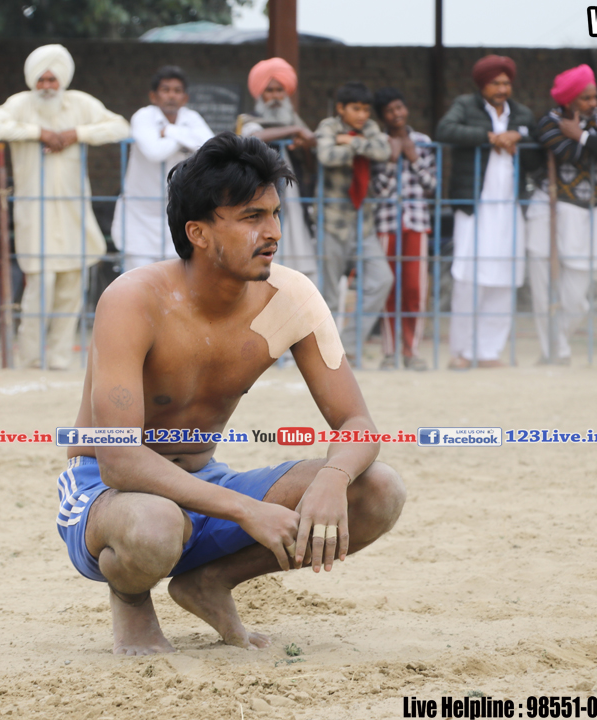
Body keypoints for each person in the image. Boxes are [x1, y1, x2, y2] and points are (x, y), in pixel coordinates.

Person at [56, 133, 405, 655]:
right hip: (106, 496)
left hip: (205, 481)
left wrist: (334, 478)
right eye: (251, 217)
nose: (273, 232)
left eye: (274, 214)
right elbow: (119, 461)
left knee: (378, 489)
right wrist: (245, 510)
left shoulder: (292, 297)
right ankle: (131, 599)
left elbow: (357, 424)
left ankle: (209, 581)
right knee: (155, 524)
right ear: (197, 232)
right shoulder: (133, 299)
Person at [0, 45, 129, 370]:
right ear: (32, 81)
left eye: (52, 80)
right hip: (35, 211)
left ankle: (59, 358)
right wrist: (37, 133)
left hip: (73, 211)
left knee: (71, 284)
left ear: (63, 80)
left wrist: (77, 134)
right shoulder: (20, 104)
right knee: (40, 284)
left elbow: (120, 127)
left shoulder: (80, 103)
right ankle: (31, 357)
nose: (47, 86)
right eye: (41, 80)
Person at [436, 55, 538, 369]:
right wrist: (489, 137)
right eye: (495, 83)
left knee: (505, 278)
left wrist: (518, 136)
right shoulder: (465, 106)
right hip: (474, 206)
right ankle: (462, 352)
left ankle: (489, 352)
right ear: (482, 85)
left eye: (506, 83)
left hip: (510, 207)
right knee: (469, 276)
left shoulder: (521, 114)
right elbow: (445, 129)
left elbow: (538, 141)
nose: (502, 89)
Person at [527, 65, 597, 365]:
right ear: (569, 100)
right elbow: (568, 154)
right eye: (585, 98)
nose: (593, 103)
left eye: (594, 96)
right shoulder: (549, 122)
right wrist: (594, 143)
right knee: (542, 289)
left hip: (592, 212)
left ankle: (556, 346)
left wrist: (581, 135)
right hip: (551, 209)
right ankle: (555, 353)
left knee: (577, 298)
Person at [315, 81, 393, 357]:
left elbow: (384, 151)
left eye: (365, 110)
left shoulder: (369, 127)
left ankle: (346, 346)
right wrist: (362, 147)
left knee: (382, 279)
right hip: (331, 221)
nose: (362, 115)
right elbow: (326, 155)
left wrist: (351, 141)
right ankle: (323, 353)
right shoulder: (328, 126)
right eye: (355, 109)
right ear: (341, 108)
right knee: (328, 294)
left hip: (363, 222)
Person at [112, 66, 213, 272]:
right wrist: (185, 140)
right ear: (154, 96)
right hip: (139, 217)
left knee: (177, 279)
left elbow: (209, 147)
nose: (171, 96)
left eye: (177, 91)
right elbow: (154, 151)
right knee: (139, 281)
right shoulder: (143, 116)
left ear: (185, 97)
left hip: (178, 214)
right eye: (165, 90)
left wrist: (169, 131)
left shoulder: (191, 117)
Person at [370, 87, 436, 371]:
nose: (396, 114)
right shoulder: (377, 144)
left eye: (399, 108)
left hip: (417, 223)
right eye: (389, 111)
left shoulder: (423, 142)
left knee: (414, 288)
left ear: (406, 109)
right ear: (382, 116)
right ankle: (389, 352)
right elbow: (377, 190)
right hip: (387, 224)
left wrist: (414, 159)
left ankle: (412, 350)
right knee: (389, 288)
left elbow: (432, 187)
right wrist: (391, 160)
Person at [237, 58, 318, 278]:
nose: (275, 96)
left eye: (279, 90)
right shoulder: (250, 120)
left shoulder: (294, 122)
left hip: (294, 196)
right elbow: (254, 137)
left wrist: (305, 145)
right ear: (260, 94)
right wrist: (295, 131)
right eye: (269, 90)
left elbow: (311, 165)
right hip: (263, 194)